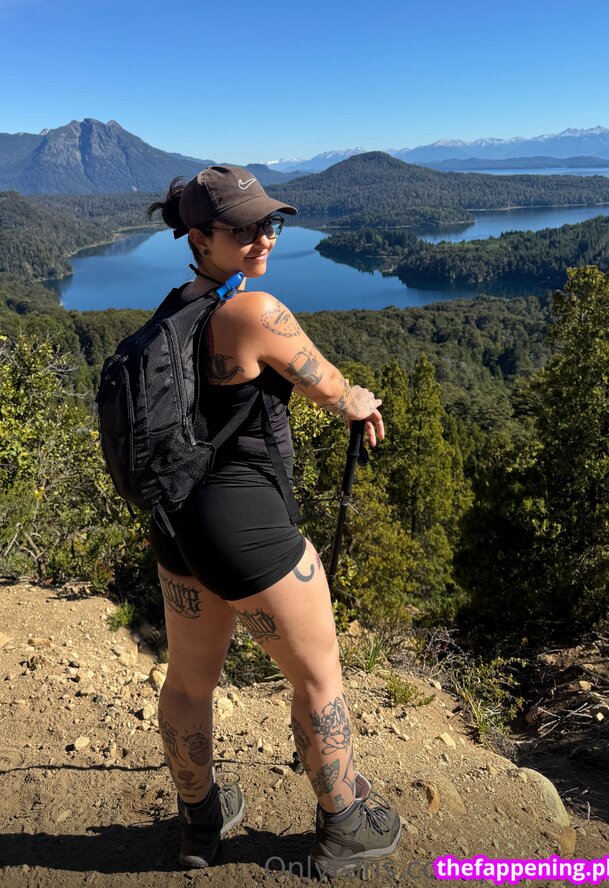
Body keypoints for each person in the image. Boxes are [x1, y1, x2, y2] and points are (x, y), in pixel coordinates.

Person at [145, 165, 402, 877]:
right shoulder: (254, 312)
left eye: (270, 222)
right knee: (318, 679)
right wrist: (360, 401)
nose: (264, 237)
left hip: (176, 526)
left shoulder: (172, 312)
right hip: (248, 532)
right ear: (200, 237)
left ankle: (200, 821)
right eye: (244, 228)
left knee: (189, 682)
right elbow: (333, 390)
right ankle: (346, 824)